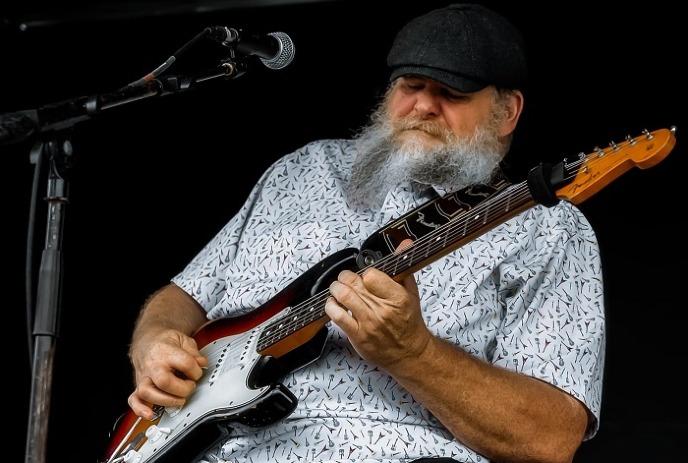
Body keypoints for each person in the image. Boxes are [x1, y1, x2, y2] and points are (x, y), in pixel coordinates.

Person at [127, 4, 605, 462]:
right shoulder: (303, 169)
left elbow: (552, 438)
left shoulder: (547, 227)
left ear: (507, 113)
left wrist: (415, 354)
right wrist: (154, 343)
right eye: (411, 85)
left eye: (452, 94)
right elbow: (184, 295)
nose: (423, 106)